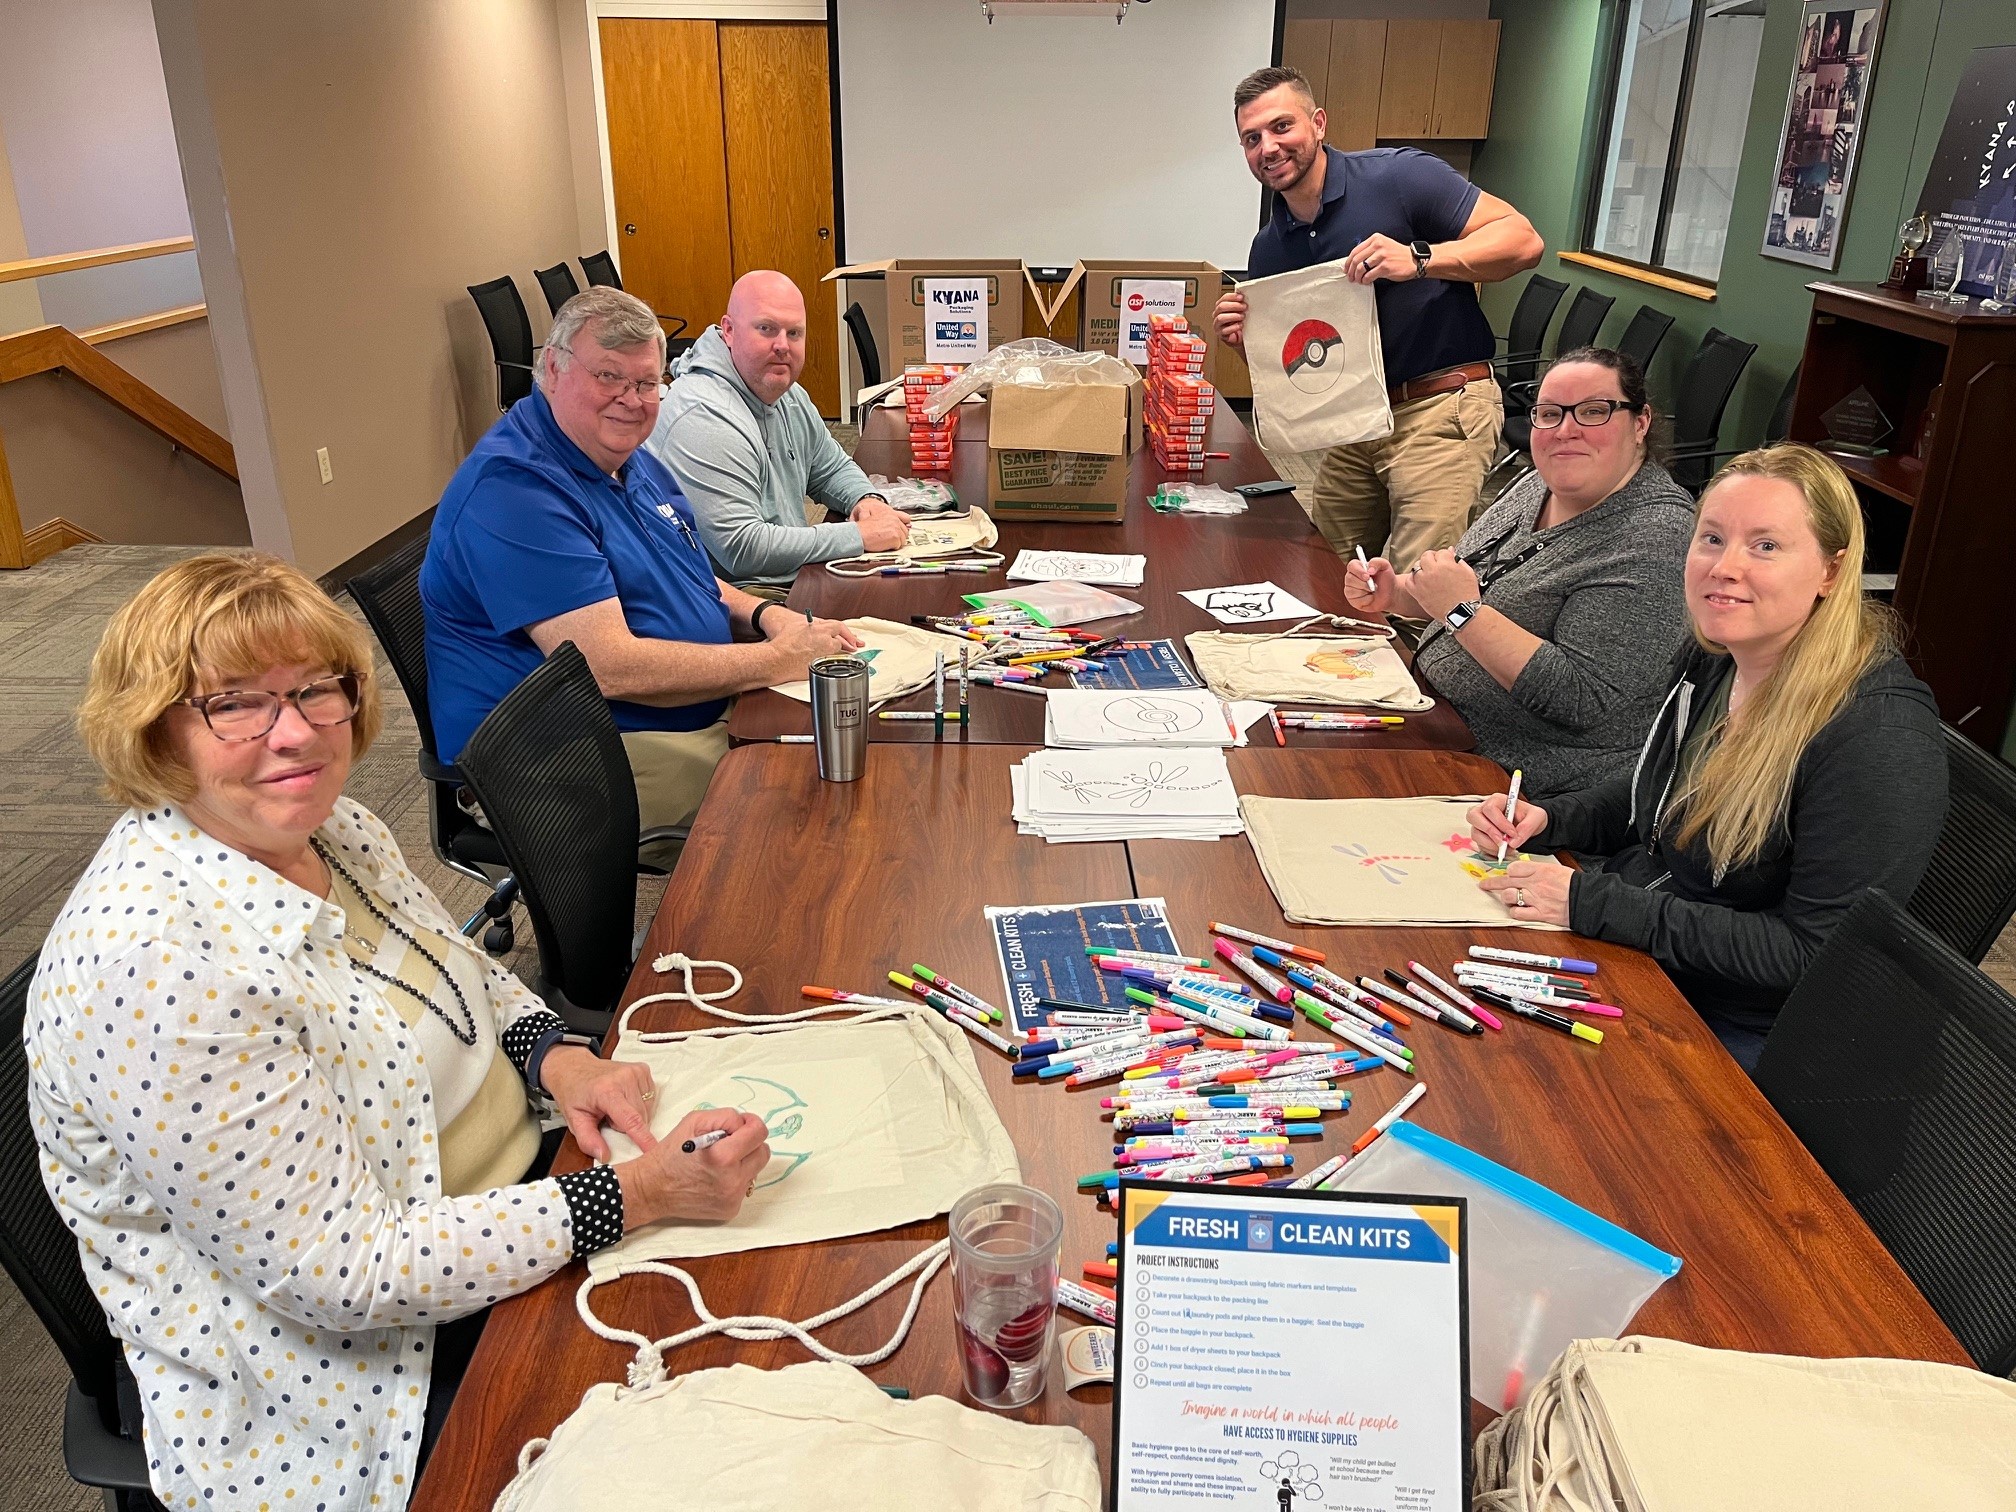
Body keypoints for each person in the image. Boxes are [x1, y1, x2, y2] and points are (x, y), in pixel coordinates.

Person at [30, 552, 773, 1512]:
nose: (293, 734)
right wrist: (637, 1194)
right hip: (363, 1377)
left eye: (313, 690)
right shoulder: (160, 969)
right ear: (155, 732)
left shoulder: (331, 831)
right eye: (235, 705)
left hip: (509, 1202)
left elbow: (464, 979)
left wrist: (559, 1057)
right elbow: (345, 1272)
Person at [1466, 445, 1948, 1070]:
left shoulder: (1875, 735)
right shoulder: (1720, 654)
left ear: (1832, 570)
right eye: (1712, 538)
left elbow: (1811, 954)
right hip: (1660, 958)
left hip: (1745, 1031)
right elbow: (1660, 797)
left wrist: (1593, 904)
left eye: (1766, 546)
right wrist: (1549, 820)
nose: (1726, 567)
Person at [422, 286, 860, 858]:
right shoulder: (517, 492)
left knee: (842, 735)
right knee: (802, 802)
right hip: (562, 755)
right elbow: (606, 668)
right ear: (551, 370)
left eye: (647, 383)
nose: (631, 400)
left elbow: (691, 575)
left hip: (666, 713)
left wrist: (765, 615)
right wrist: (775, 659)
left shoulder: (627, 459)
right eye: (608, 376)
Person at [1213, 66, 1543, 572]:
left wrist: (1421, 259)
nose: (1269, 148)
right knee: (1322, 571)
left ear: (1318, 123)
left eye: (1282, 127)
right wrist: (1248, 340)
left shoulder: (1400, 177)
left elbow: (1523, 241)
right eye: (1251, 138)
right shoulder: (1270, 246)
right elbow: (1303, 359)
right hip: (1356, 420)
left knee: (1418, 585)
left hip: (1441, 405)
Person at [1346, 348, 1695, 796]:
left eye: (1593, 412)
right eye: (1549, 414)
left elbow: (1580, 697)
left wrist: (1461, 612)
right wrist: (1397, 594)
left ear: (1640, 422)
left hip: (1521, 783)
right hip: (1438, 716)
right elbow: (1470, 583)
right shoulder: (1537, 484)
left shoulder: (1656, 537)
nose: (1566, 431)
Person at [647, 270, 912, 591]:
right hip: (740, 597)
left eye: (794, 333)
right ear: (728, 331)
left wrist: (867, 498)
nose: (782, 346)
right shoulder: (704, 415)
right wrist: (857, 536)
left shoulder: (786, 392)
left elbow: (829, 467)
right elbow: (742, 549)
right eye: (766, 329)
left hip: (790, 572)